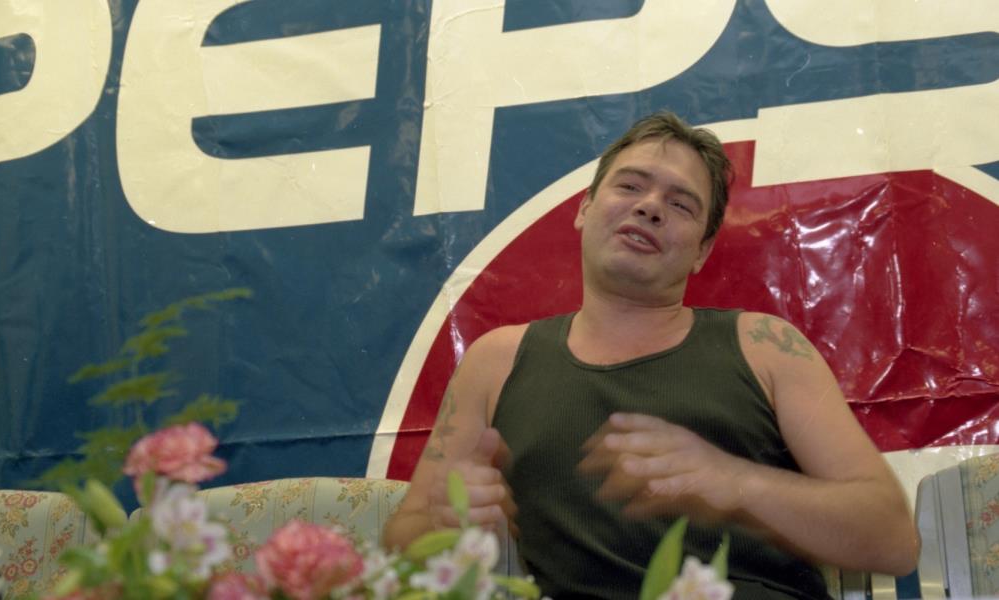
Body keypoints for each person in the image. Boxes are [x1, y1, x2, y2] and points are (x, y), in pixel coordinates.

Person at [382, 111, 920, 599]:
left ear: (702, 251)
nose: (649, 207)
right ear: (585, 208)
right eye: (630, 185)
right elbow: (401, 545)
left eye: (681, 204)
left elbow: (893, 540)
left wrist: (732, 482)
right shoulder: (496, 361)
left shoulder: (765, 347)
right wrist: (442, 523)